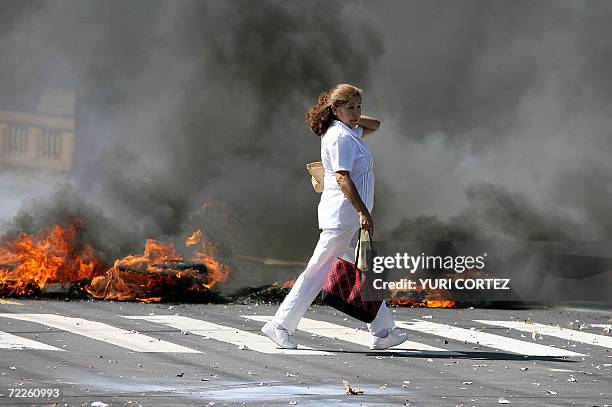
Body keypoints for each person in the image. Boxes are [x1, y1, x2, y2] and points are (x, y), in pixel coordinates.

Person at [261, 83, 408, 350]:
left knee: (365, 273)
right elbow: (342, 178)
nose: (356, 112)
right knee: (317, 272)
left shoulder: (349, 132)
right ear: (335, 109)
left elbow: (375, 124)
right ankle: (279, 325)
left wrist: (349, 113)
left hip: (348, 220)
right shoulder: (339, 137)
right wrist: (363, 212)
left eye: (358, 106)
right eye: (350, 107)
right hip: (342, 217)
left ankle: (383, 332)